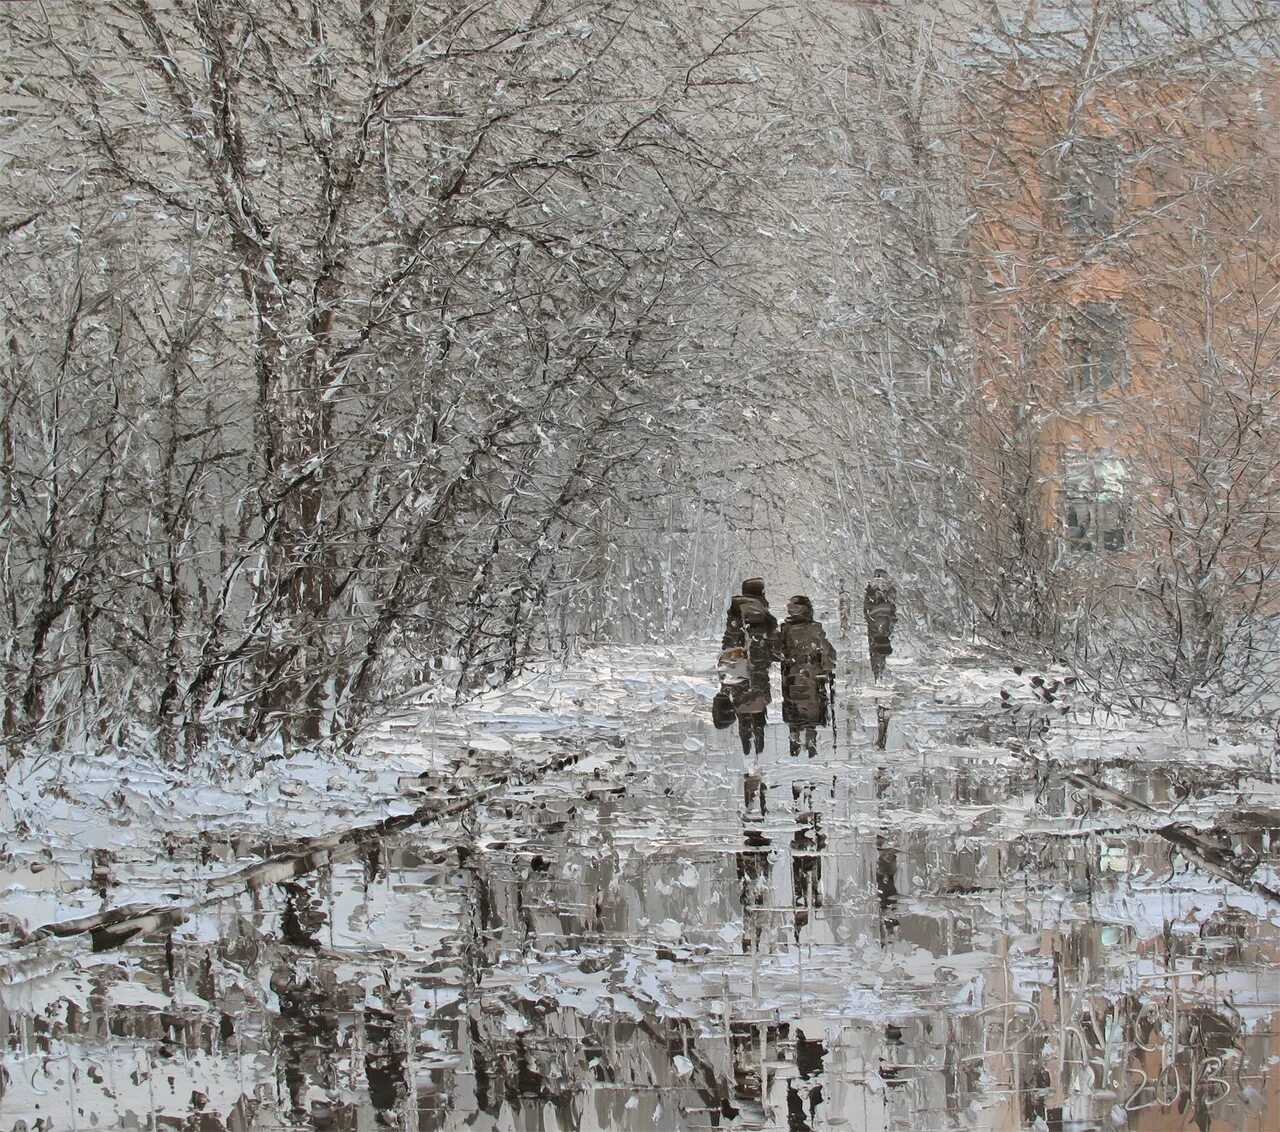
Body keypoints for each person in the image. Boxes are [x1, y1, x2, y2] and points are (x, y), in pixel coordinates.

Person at [721, 577, 779, 755]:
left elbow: (727, 644)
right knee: (758, 705)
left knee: (740, 704)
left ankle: (746, 746)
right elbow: (774, 647)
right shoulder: (766, 616)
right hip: (759, 667)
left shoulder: (734, 612)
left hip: (736, 665)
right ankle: (759, 747)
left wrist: (726, 669)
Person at [778, 595, 836, 757]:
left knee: (794, 710)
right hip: (811, 676)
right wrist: (827, 666)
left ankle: (794, 740)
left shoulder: (785, 629)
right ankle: (811, 742)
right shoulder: (814, 628)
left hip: (792, 676)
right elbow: (827, 651)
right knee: (811, 711)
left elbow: (778, 651)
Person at [864, 569, 897, 681]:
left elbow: (866, 608)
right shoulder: (875, 591)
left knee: (878, 646)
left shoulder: (874, 590)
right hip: (880, 622)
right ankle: (878, 671)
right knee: (878, 646)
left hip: (878, 622)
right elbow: (892, 607)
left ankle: (878, 671)